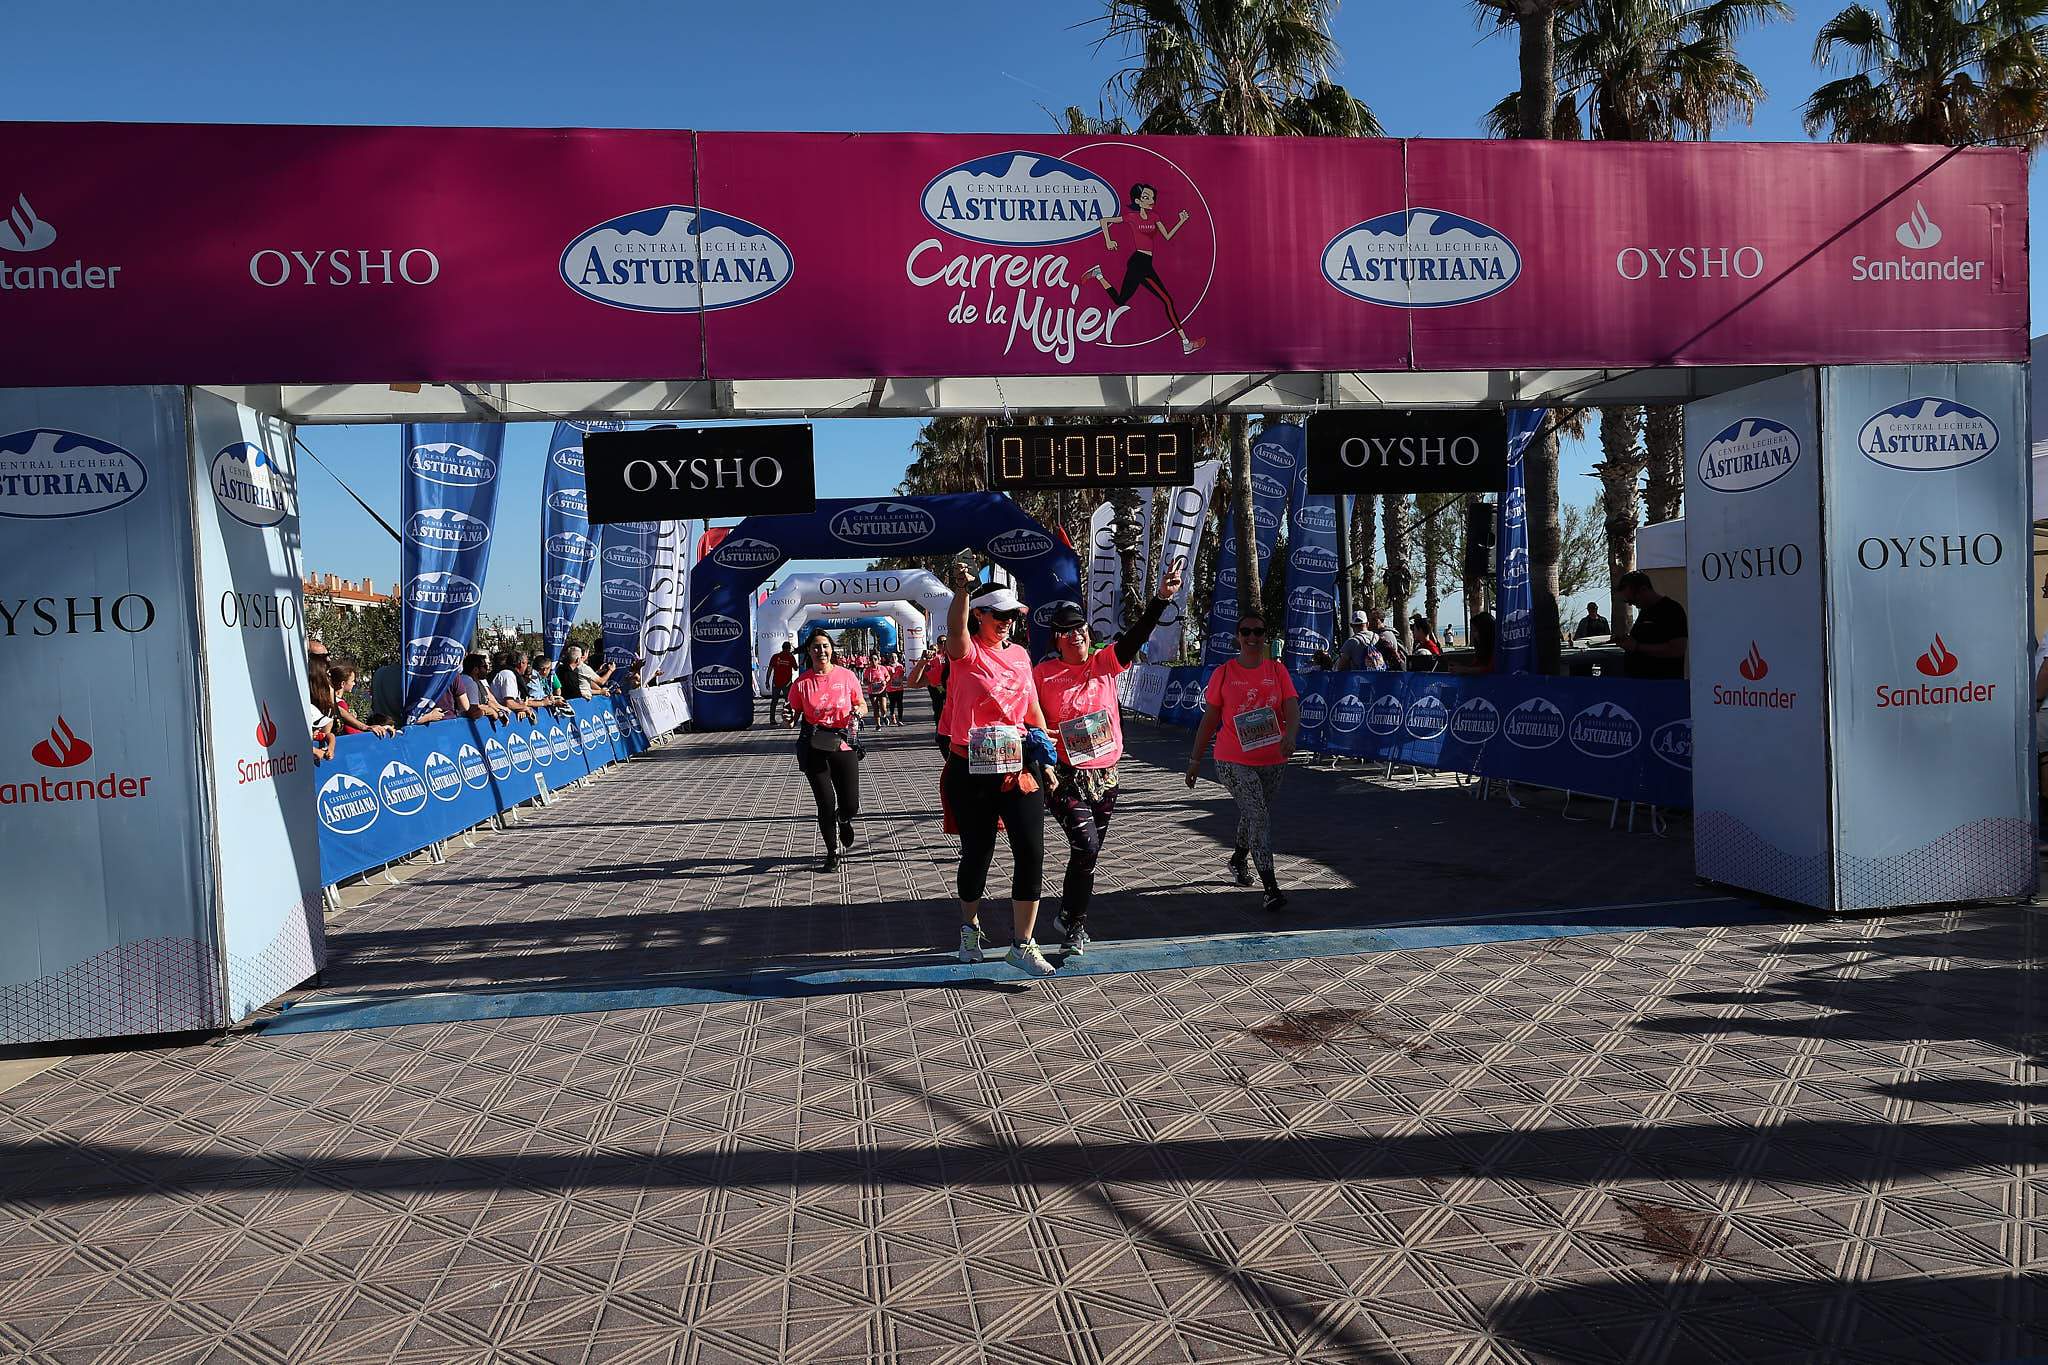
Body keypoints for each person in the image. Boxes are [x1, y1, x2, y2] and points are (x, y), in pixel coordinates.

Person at [1033, 561, 1182, 956]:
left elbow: (1133, 640)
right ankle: (1075, 922)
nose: (1079, 635)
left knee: (1089, 854)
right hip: (1063, 776)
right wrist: (1037, 737)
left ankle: (1071, 919)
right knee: (1085, 843)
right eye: (1070, 631)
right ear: (1057, 638)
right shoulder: (1042, 674)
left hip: (1105, 775)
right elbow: (1026, 716)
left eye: (1082, 629)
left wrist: (1161, 599)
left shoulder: (1103, 663)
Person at [941, 561, 1057, 977]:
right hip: (970, 770)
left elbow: (1030, 707)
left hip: (1017, 765)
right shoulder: (967, 652)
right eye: (999, 615)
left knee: (1031, 851)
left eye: (1012, 616)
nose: (1007, 622)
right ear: (980, 615)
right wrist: (961, 591)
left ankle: (1023, 943)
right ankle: (969, 925)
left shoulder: (1023, 656)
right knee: (978, 854)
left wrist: (1045, 758)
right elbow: (955, 631)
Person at [1185, 612, 1298, 912]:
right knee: (1259, 816)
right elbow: (1210, 719)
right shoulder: (1224, 673)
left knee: (1254, 813)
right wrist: (1195, 760)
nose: (1252, 638)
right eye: (1245, 632)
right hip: (1232, 758)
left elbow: (1291, 705)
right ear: (1238, 637)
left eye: (1258, 632)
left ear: (1265, 637)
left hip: (1274, 759)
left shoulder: (1277, 670)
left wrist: (1292, 734)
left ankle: (1237, 858)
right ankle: (1270, 887)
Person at [1085, 182, 1205, 356]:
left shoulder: (1154, 217)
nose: (1151, 200)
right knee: (1167, 300)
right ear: (1137, 200)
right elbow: (1104, 221)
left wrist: (1181, 221)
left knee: (1120, 300)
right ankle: (1186, 343)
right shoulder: (1131, 217)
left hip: (1145, 263)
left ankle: (1098, 274)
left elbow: (1167, 236)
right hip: (1138, 263)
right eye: (1146, 197)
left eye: (1152, 198)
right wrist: (1108, 241)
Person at [784, 631, 869, 871]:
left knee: (850, 804)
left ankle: (844, 819)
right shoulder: (802, 683)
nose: (821, 651)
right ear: (808, 652)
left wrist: (859, 712)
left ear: (832, 649)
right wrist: (787, 718)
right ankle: (832, 852)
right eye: (815, 647)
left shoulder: (847, 676)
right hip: (815, 747)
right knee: (825, 803)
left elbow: (861, 704)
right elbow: (791, 717)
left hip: (843, 745)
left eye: (825, 646)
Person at [1614, 571, 1687, 679]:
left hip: (1662, 685)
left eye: (1632, 600)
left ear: (1644, 590)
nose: (1631, 604)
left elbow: (1677, 649)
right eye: (1628, 602)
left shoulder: (1672, 610)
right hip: (1639, 684)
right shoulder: (1644, 612)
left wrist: (1637, 646)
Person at [327, 658, 394, 738]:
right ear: (343, 683)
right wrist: (371, 731)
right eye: (352, 681)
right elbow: (351, 731)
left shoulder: (333, 702)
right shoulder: (340, 704)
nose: (354, 683)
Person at [447, 653, 512, 723]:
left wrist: (498, 711)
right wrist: (489, 711)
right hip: (461, 725)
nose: (487, 669)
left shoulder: (468, 680)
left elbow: (485, 702)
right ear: (475, 670)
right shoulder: (470, 683)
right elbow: (473, 712)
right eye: (484, 666)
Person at [307, 662, 337, 763]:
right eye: (314, 727)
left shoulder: (315, 734)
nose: (318, 729)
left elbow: (329, 735)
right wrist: (314, 751)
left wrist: (331, 748)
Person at [766, 641, 799, 724]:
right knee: (788, 702)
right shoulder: (790, 657)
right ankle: (788, 720)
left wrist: (767, 681)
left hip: (776, 683)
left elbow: (769, 669)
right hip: (786, 683)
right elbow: (796, 668)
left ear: (782, 647)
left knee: (774, 702)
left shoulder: (775, 656)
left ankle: (772, 720)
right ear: (789, 649)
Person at [884, 651, 907, 725]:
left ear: (897, 658)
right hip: (890, 688)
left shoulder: (900, 666)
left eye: (895, 657)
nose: (893, 658)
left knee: (900, 703)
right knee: (892, 703)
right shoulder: (887, 667)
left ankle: (900, 719)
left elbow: (903, 675)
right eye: (892, 657)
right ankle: (892, 715)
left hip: (899, 688)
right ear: (889, 659)